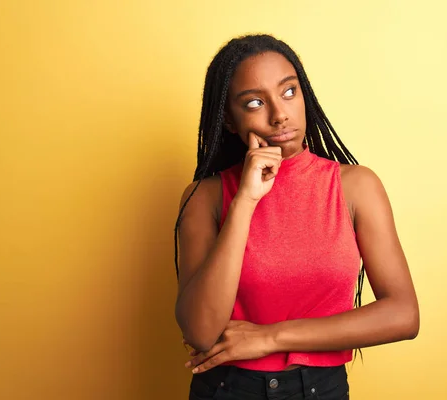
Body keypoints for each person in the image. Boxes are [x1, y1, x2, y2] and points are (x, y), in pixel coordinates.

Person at [174, 34, 419, 400]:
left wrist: (272, 337)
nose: (279, 114)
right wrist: (245, 199)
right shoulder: (205, 197)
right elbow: (200, 331)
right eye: (255, 102)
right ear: (228, 120)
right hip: (227, 390)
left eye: (289, 92)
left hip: (322, 389)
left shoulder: (355, 187)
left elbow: (403, 314)